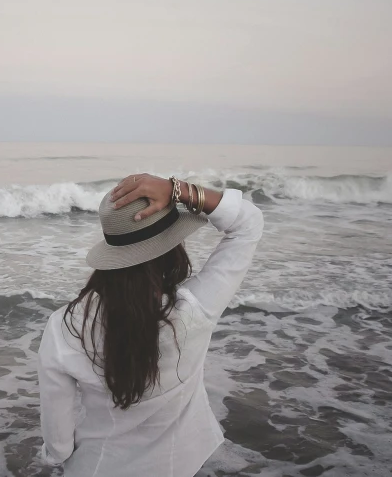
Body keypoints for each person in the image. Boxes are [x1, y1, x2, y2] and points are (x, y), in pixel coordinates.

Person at [37, 173, 264, 477]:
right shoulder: (197, 308)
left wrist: (54, 458)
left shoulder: (65, 327)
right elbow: (248, 224)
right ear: (173, 248)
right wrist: (178, 190)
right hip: (179, 465)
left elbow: (59, 442)